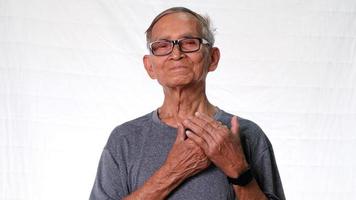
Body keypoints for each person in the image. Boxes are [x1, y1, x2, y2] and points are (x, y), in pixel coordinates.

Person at [90, 7, 285, 200]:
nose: (176, 54)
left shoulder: (247, 135)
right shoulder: (124, 139)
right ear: (150, 66)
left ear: (213, 58)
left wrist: (239, 172)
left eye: (189, 42)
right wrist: (173, 171)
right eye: (162, 46)